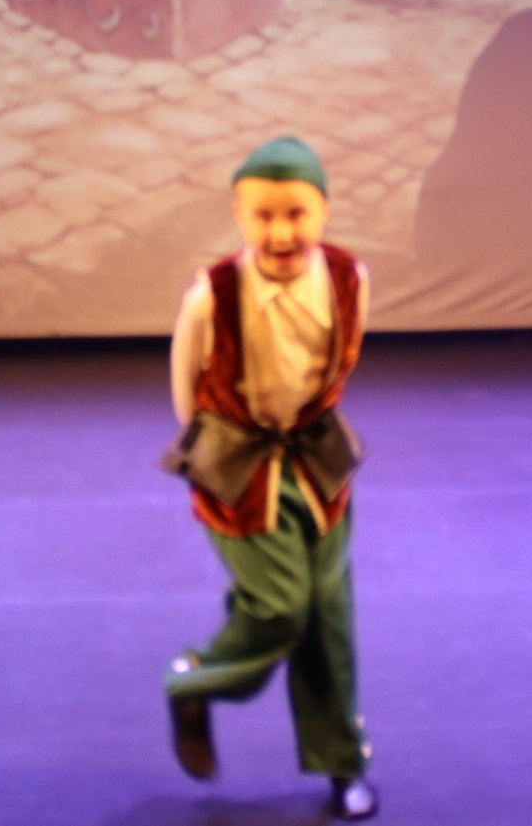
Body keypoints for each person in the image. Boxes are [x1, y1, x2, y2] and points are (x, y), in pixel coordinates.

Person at [161, 135, 378, 821]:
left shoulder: (349, 278)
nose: (281, 233)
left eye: (297, 213)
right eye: (263, 215)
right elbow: (186, 385)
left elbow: (341, 359)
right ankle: (195, 682)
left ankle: (342, 763)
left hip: (316, 458)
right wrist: (222, 446)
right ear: (238, 215)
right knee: (281, 604)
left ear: (324, 212)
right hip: (240, 466)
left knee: (328, 612)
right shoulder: (213, 295)